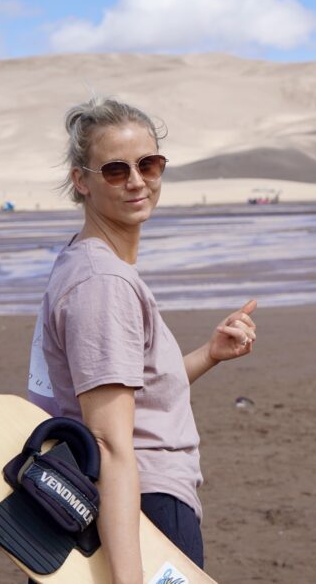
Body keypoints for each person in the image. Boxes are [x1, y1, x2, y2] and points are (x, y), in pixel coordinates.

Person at [29, 97, 258, 582]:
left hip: (122, 507)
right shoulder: (103, 284)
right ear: (81, 181)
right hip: (138, 514)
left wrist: (208, 355)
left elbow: (132, 390)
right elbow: (111, 442)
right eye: (115, 170)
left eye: (149, 164)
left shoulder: (87, 264)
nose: (137, 181)